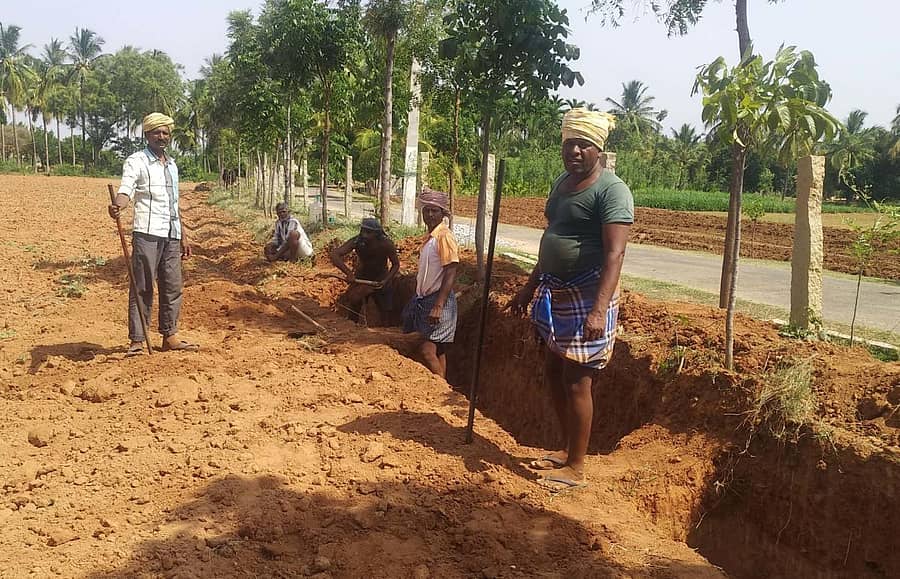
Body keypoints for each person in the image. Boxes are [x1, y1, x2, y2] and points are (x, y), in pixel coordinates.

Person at [508, 108, 633, 492]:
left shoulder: (612, 191)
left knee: (578, 379)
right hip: (555, 291)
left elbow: (615, 254)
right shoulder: (562, 183)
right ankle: (566, 450)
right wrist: (529, 287)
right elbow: (553, 236)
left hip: (588, 294)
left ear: (598, 149)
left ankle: (577, 468)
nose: (574, 151)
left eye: (583, 145)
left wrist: (598, 310)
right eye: (569, 144)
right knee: (553, 371)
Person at [108, 112, 199, 356]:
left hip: (171, 234)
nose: (162, 136)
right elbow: (126, 190)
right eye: (157, 132)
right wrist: (118, 206)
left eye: (165, 132)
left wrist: (183, 236)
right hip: (147, 232)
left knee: (172, 286)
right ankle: (138, 340)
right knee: (143, 286)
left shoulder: (172, 165)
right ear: (147, 135)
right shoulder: (136, 161)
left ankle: (170, 335)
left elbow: (174, 203)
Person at [401, 189, 459, 378]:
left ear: (443, 213)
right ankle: (442, 384)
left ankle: (441, 388)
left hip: (437, 301)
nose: (430, 215)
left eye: (435, 211)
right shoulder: (431, 238)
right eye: (426, 210)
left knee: (426, 350)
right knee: (438, 350)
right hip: (426, 300)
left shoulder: (444, 237)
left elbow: (451, 270)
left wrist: (438, 305)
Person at [329, 218, 400, 323]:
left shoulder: (386, 244)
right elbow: (335, 255)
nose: (364, 235)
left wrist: (386, 280)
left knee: (386, 308)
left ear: (377, 234)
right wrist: (349, 273)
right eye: (363, 231)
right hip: (361, 277)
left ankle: (386, 328)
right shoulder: (357, 241)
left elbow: (396, 264)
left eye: (368, 232)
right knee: (354, 303)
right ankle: (352, 326)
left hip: (381, 278)